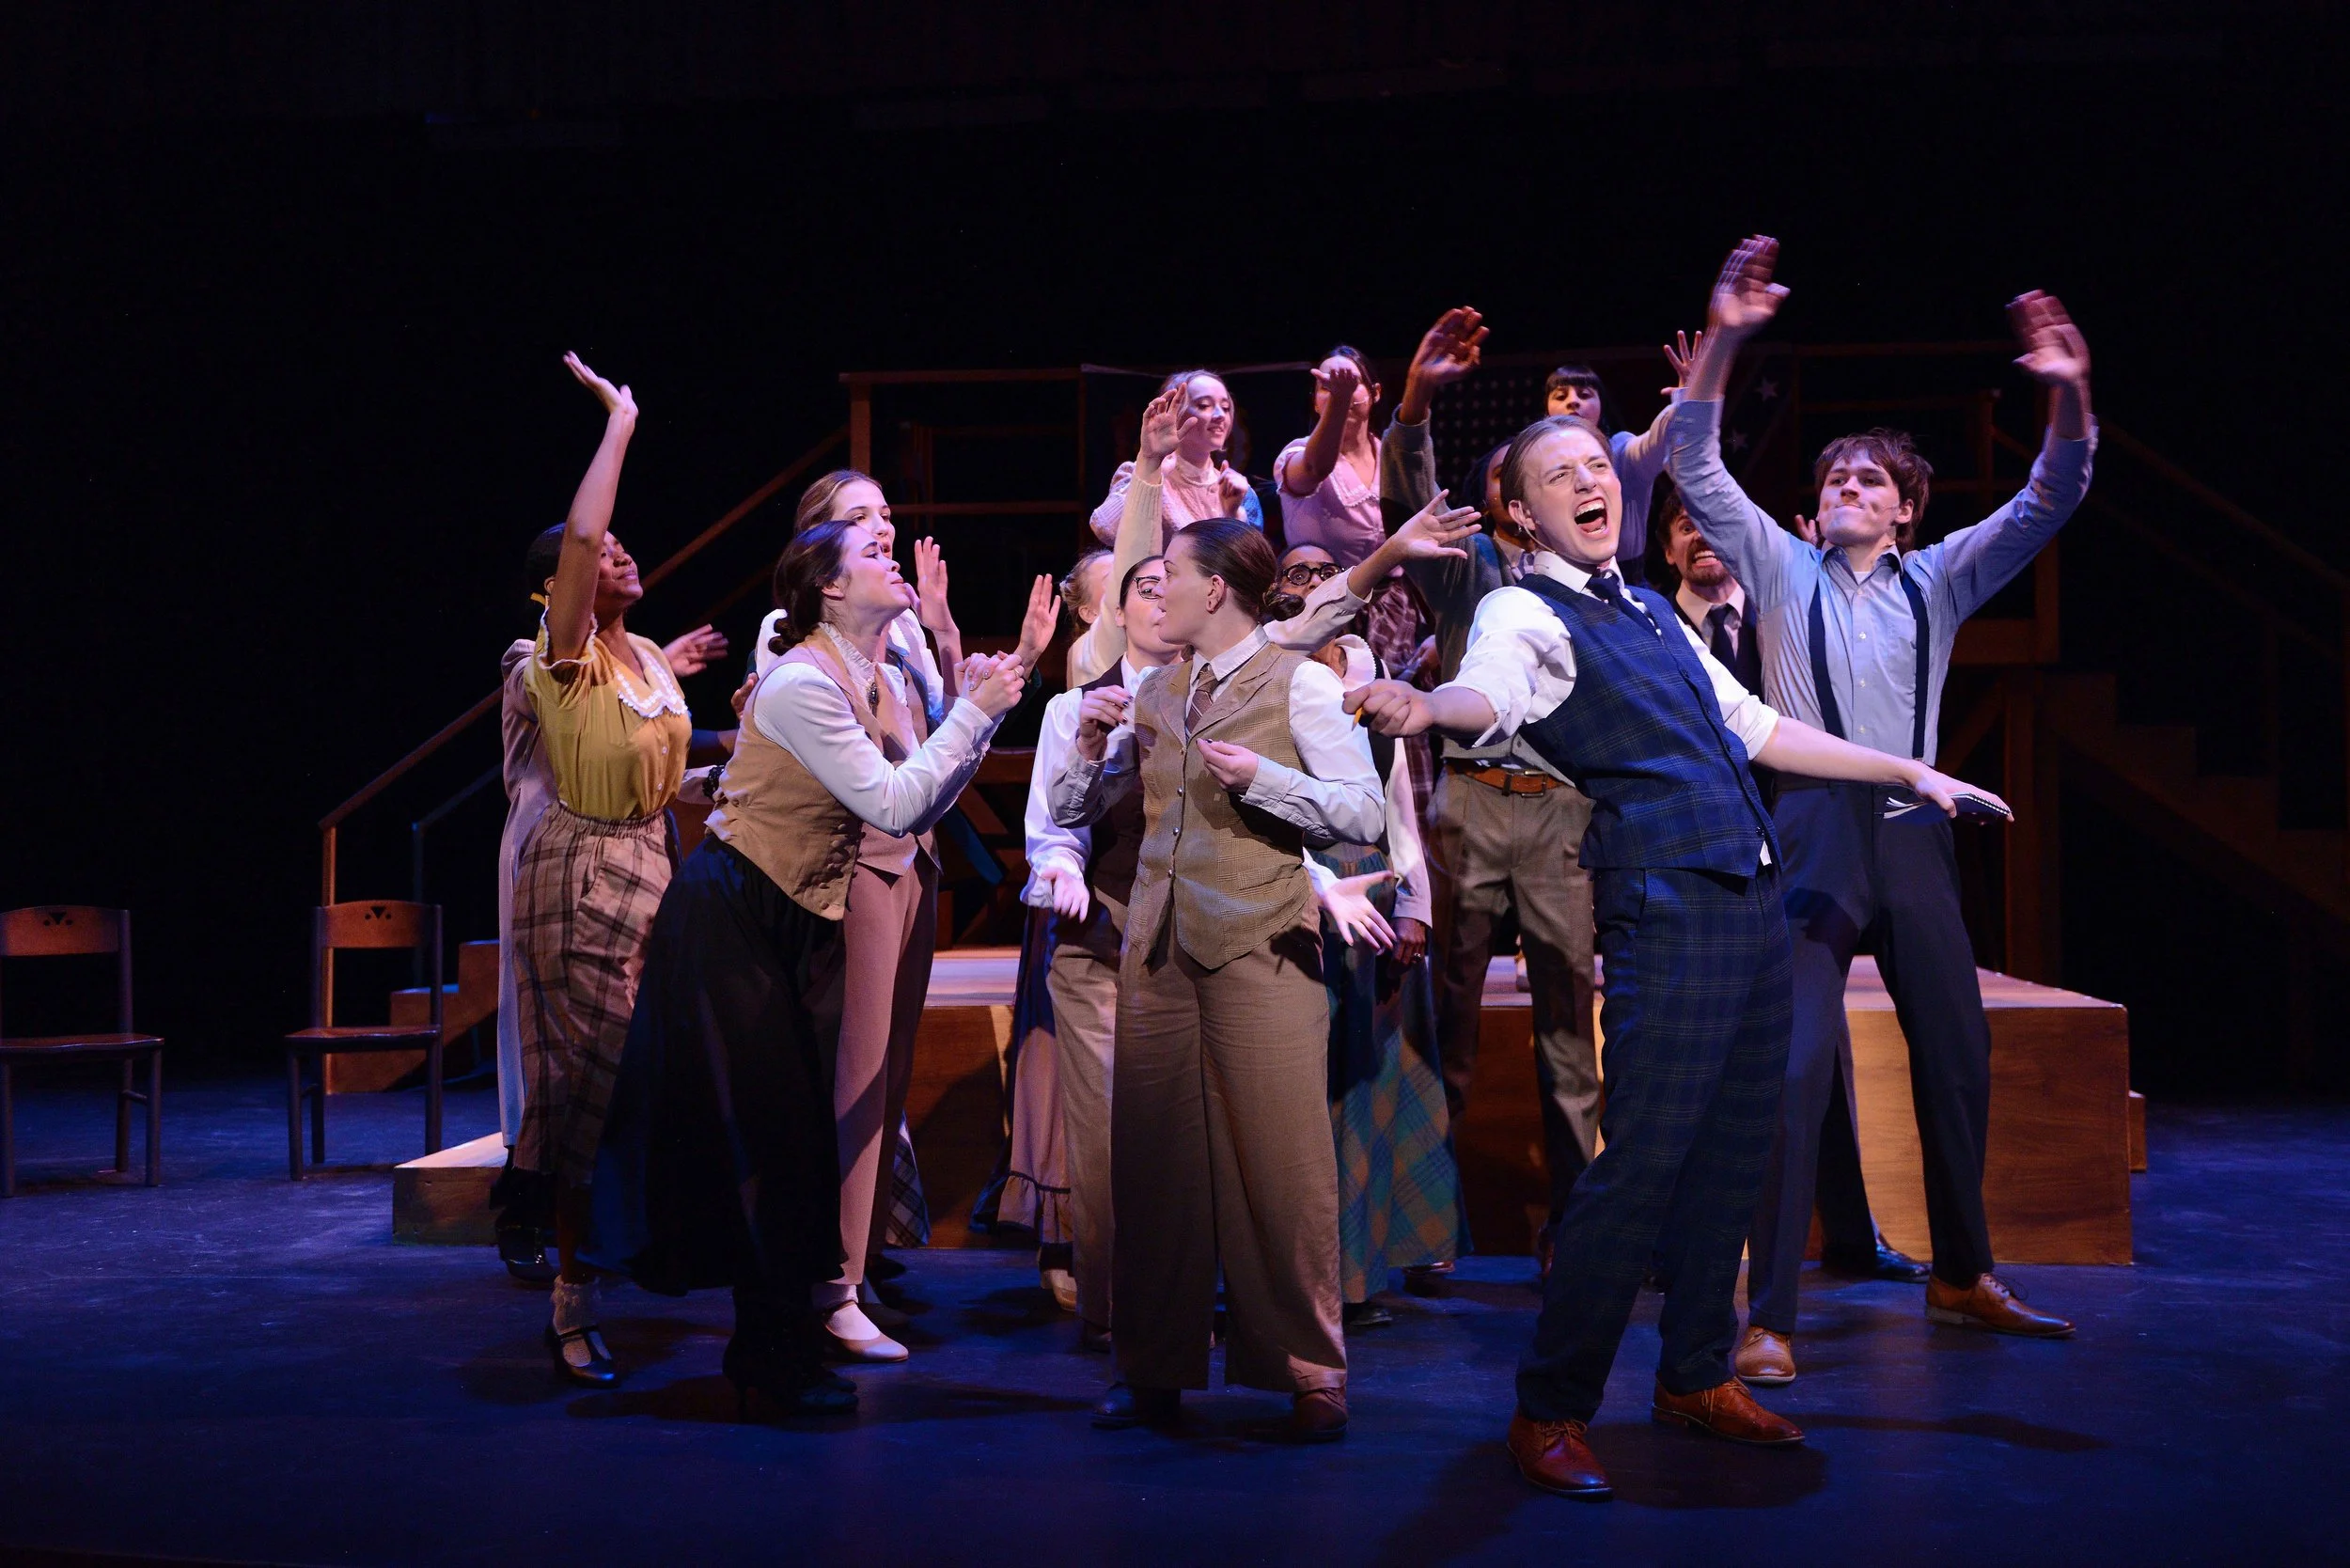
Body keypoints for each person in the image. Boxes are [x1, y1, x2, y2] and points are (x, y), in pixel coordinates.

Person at [1349, 409, 2004, 1499]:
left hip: (1751, 901)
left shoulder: (1652, 609)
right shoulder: (1523, 608)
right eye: (1558, 475)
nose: (1588, 482)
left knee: (1734, 1149)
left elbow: (1754, 725)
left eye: (1596, 465)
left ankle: (1695, 1374)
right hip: (1664, 904)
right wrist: (1428, 704)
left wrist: (1907, 773)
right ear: (1520, 510)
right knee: (1645, 1161)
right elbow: (1492, 694)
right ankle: (1551, 1405)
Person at [1669, 236, 2095, 1383]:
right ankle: (1766, 1317)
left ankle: (1962, 1272)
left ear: (1906, 512)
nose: (1844, 492)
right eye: (1831, 483)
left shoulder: (1941, 579)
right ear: (1808, 517)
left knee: (1954, 1055)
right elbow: (1696, 463)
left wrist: (2068, 397)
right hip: (1807, 829)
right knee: (1797, 1064)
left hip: (1912, 844)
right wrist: (1726, 338)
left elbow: (2053, 496)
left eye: (1868, 482)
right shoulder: (1777, 568)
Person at [588, 521, 1026, 1417]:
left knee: (796, 1145)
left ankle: (780, 1347)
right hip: (733, 915)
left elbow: (923, 794)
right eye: (870, 555)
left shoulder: (866, 675)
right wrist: (978, 713)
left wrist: (980, 708)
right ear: (826, 589)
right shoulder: (799, 683)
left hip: (794, 920)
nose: (889, 557)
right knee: (769, 1141)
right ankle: (769, 1357)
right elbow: (893, 804)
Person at [1050, 520, 1384, 1443]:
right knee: (1151, 1169)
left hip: (1261, 940)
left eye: (1169, 581)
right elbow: (1074, 813)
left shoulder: (1302, 682)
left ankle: (1309, 1367)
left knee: (1282, 1165)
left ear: (1217, 591)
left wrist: (1269, 780)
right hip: (1156, 950)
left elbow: (1364, 812)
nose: (1154, 598)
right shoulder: (1150, 692)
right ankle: (1150, 1364)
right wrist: (1084, 745)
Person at [751, 478, 1057, 1360]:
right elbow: (887, 797)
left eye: (887, 519)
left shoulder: (891, 658)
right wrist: (979, 702)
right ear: (825, 568)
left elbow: (936, 781)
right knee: (853, 1083)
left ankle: (857, 1260)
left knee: (885, 1083)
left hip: (910, 872)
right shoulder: (797, 659)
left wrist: (1004, 671)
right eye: (862, 526)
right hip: (852, 881)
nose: (886, 536)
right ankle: (832, 1284)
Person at [1651, 476, 1930, 1298]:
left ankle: (1849, 1232)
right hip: (1700, 866)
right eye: (1682, 528)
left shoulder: (1781, 617)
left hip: (1801, 860)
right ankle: (1677, 1238)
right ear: (1666, 548)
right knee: (1695, 1055)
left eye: (1713, 527)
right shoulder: (1655, 625)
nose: (1702, 537)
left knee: (1819, 1054)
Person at [1377, 307, 1607, 1269]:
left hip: (1560, 818)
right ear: (1510, 502)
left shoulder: (1597, 581)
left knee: (1568, 1041)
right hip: (1472, 809)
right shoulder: (1472, 575)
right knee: (1450, 1032)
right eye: (1545, 478)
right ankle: (1425, 1224)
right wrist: (1418, 404)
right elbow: (1413, 502)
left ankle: (1579, 1226)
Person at [506, 353, 696, 1386]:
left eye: (626, 546)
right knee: (584, 1091)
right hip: (578, 880)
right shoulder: (560, 654)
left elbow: (665, 773)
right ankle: (569, 1301)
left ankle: (630, 1257)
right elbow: (581, 532)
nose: (617, 551)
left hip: (652, 869)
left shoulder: (652, 657)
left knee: (644, 1086)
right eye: (602, 552)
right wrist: (619, 424)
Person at [493, 608, 728, 1285]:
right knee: (560, 1053)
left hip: (640, 851)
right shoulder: (528, 655)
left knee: (628, 1047)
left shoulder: (642, 653)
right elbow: (584, 719)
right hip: (560, 856)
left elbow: (650, 755)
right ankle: (528, 1211)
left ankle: (622, 1227)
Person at [1274, 548, 1465, 1328]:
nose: (1309, 579)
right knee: (1316, 1087)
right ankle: (1314, 1278)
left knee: (1374, 1086)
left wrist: (1415, 899)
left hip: (1374, 879)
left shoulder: (1361, 660)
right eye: (1295, 571)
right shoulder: (1268, 672)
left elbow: (1394, 793)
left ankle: (1365, 1268)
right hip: (1307, 878)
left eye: (1323, 568)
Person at [1087, 370, 1263, 547]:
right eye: (1204, 405)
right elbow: (1105, 530)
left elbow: (1248, 567)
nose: (1220, 415)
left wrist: (1232, 514)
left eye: (1225, 408)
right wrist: (1152, 471)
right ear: (1175, 414)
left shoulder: (1239, 490)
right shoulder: (1142, 474)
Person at [1543, 361, 1674, 585]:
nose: (1573, 401)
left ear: (1602, 406)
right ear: (1546, 410)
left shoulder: (1621, 450)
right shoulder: (1539, 460)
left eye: (1584, 394)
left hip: (1627, 583)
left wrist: (1688, 402)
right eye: (1560, 396)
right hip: (1559, 581)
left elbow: (1657, 443)